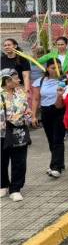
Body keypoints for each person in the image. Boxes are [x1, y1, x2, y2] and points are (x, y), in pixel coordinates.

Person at [30, 59, 66, 178]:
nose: (56, 70)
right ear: (47, 69)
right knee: (51, 139)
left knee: (58, 139)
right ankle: (59, 162)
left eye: (58, 67)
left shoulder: (64, 80)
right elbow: (35, 99)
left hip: (60, 110)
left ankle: (55, 166)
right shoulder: (39, 81)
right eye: (53, 68)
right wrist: (34, 115)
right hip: (46, 111)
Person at [0, 69, 32, 201]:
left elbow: (27, 109)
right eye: (16, 78)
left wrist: (28, 115)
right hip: (2, 133)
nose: (19, 80)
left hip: (19, 131)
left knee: (19, 161)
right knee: (2, 160)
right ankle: (2, 185)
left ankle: (15, 188)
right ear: (7, 81)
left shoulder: (20, 93)